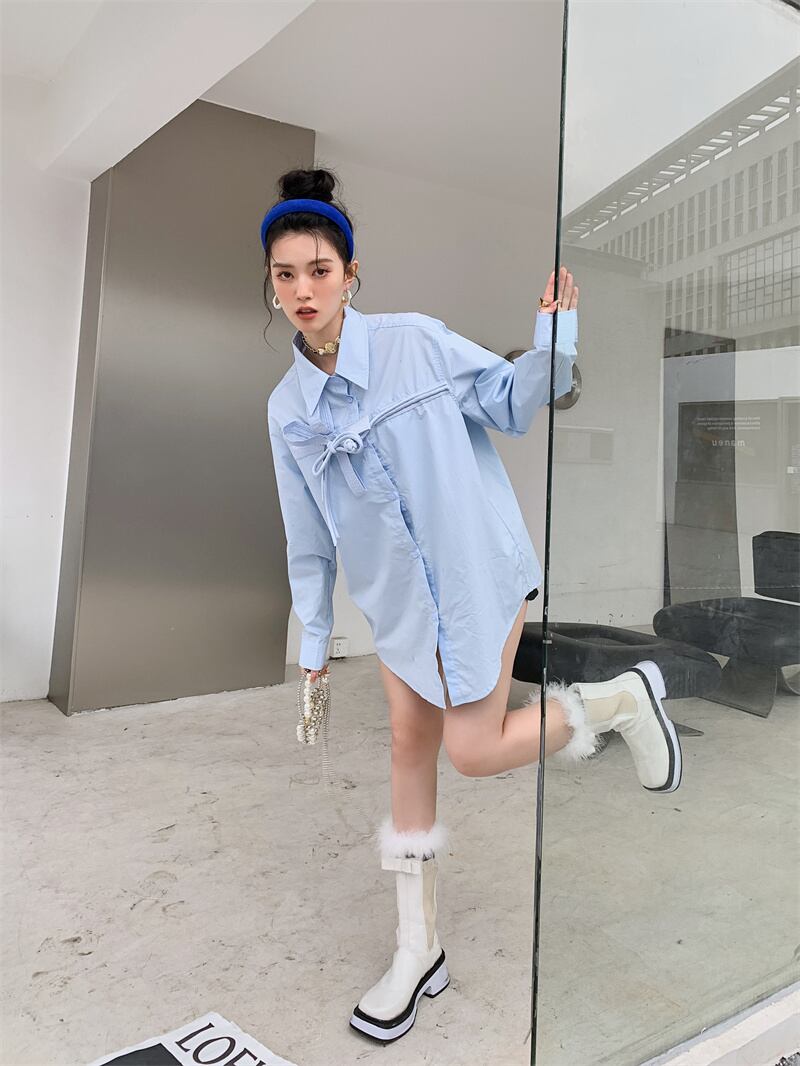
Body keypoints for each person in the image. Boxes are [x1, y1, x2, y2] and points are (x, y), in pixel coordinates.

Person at [261, 166, 683, 1045]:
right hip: (396, 605)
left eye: (319, 271)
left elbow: (508, 402)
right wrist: (313, 640)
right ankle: (417, 950)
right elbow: (308, 536)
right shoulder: (287, 409)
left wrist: (552, 343)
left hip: (476, 575)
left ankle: (619, 701)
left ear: (351, 275)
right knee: (408, 749)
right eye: (285, 274)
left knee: (475, 750)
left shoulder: (415, 342)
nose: (303, 291)